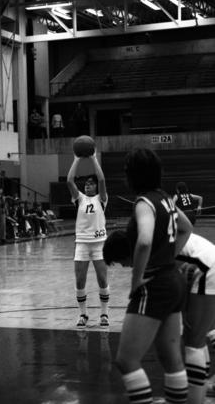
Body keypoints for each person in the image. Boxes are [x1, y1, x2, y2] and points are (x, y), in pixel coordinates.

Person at [102, 148, 192, 404]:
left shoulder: (144, 203)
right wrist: (167, 256)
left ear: (132, 175)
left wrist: (136, 279)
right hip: (173, 280)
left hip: (154, 283)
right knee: (170, 357)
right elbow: (186, 227)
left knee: (126, 360)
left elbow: (143, 241)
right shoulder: (165, 198)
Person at [67, 152, 110, 328]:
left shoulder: (102, 199)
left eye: (91, 184)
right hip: (82, 244)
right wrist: (76, 160)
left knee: (102, 278)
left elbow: (102, 180)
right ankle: (83, 314)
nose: (88, 186)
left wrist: (93, 159)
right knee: (79, 280)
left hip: (99, 243)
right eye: (86, 184)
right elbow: (70, 181)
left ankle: (104, 314)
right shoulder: (79, 199)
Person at [176, 233, 215, 404]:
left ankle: (197, 395)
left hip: (207, 267)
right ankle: (202, 386)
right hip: (206, 264)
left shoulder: (148, 244)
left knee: (194, 341)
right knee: (204, 331)